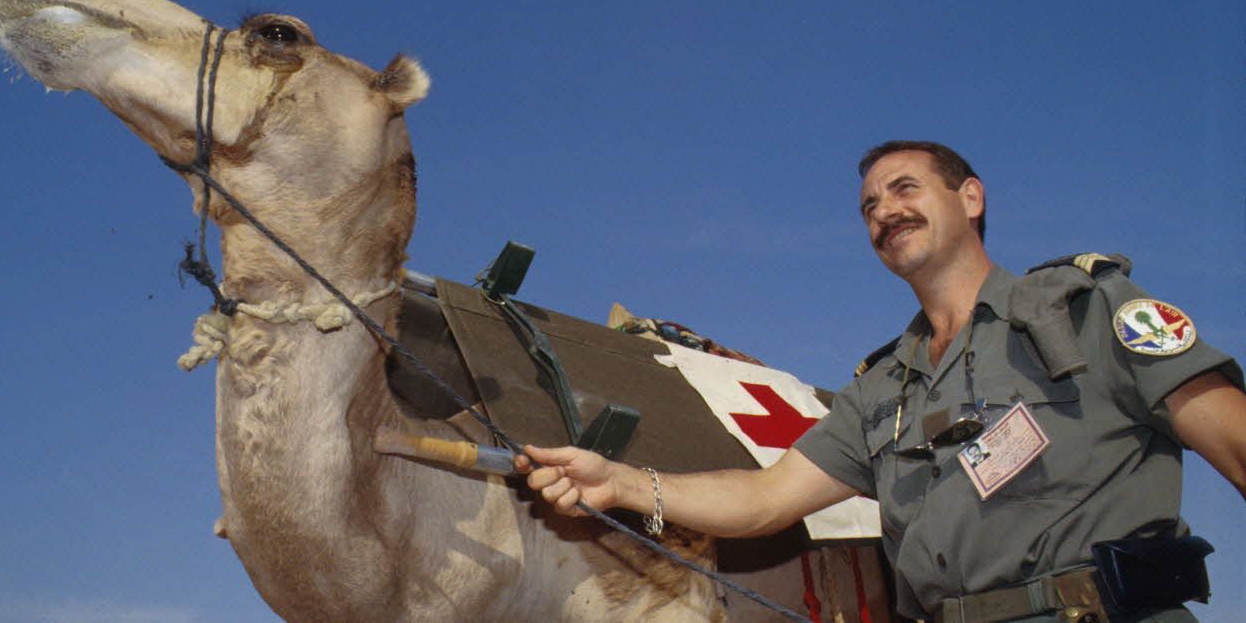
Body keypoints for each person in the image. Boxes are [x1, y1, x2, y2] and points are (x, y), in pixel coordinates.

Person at [518, 141, 1246, 623]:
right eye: (869, 205)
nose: (884, 210)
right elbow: (764, 497)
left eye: (904, 188)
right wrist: (618, 480)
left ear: (971, 197)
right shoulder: (883, 390)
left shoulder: (1085, 313)